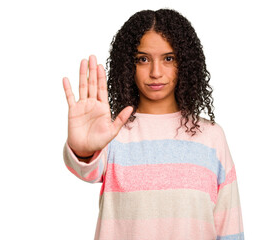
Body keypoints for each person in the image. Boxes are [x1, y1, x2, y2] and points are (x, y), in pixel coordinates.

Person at [62, 8, 244, 240]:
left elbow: (229, 225)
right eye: (143, 59)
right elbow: (86, 171)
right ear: (129, 65)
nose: (155, 72)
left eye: (169, 58)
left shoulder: (211, 137)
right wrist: (83, 149)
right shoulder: (112, 133)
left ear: (185, 63)